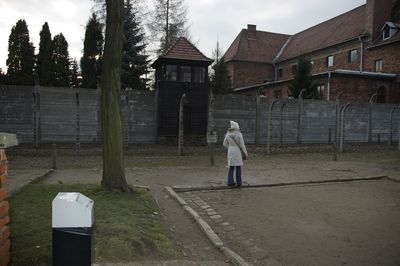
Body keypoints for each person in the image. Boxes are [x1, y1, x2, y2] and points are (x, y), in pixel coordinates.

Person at [223, 120, 248, 187]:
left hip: (230, 151)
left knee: (231, 167)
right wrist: (245, 153)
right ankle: (239, 182)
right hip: (237, 152)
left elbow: (224, 144)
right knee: (238, 167)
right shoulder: (239, 134)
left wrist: (230, 147)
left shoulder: (227, 134)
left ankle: (230, 182)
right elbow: (242, 145)